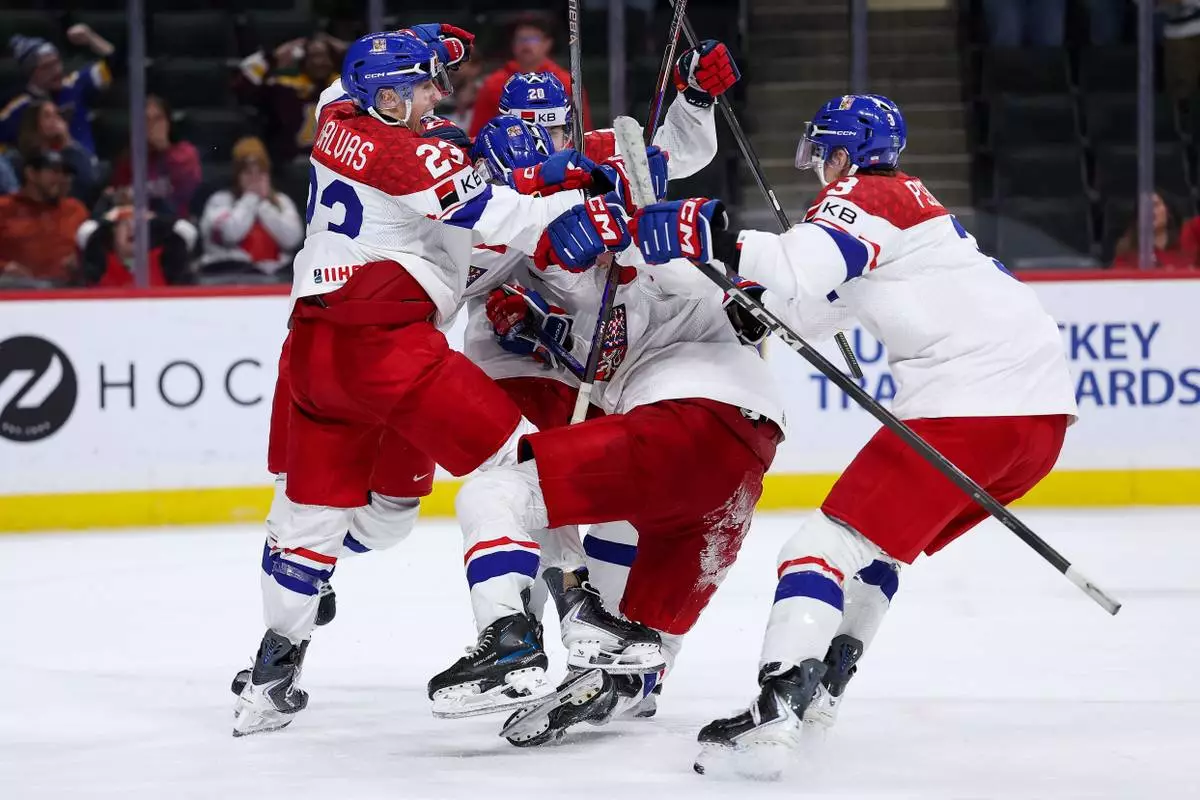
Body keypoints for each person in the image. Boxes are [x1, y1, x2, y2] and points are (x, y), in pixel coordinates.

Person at [628, 94, 1079, 778]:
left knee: (817, 547)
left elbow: (797, 269)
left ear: (841, 152)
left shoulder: (870, 195)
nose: (816, 169)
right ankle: (821, 690)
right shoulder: (904, 214)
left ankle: (772, 713)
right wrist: (740, 301)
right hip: (1038, 421)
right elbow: (801, 304)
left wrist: (707, 231)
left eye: (821, 152)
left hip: (973, 403)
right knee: (876, 554)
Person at [230, 28, 628, 738]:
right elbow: (497, 212)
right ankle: (554, 613)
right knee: (522, 465)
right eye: (423, 85)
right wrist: (575, 197)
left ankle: (271, 674)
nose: (439, 95)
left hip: (313, 353)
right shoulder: (410, 152)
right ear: (386, 97)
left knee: (334, 521)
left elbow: (384, 103)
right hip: (386, 346)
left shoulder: (336, 114)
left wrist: (418, 42)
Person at [468, 15, 592, 138]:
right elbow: (478, 133)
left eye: (533, 39)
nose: (526, 45)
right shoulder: (493, 83)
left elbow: (583, 134)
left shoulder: (567, 83)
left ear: (547, 43)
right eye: (520, 39)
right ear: (513, 44)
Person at [236, 33, 347, 166]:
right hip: (290, 168)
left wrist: (349, 51)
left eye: (324, 55)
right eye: (313, 56)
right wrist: (272, 57)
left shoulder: (346, 88)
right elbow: (242, 85)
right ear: (302, 59)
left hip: (337, 168)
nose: (319, 62)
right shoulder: (283, 87)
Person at [1, 26, 116, 155]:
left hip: (88, 167)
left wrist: (91, 38)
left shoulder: (75, 84)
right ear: (31, 72)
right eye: (47, 67)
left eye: (57, 62)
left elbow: (116, 64)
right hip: (48, 171)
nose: (57, 70)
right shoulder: (20, 107)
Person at [199, 137, 303, 277]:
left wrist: (264, 205)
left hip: (276, 277)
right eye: (248, 172)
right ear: (237, 176)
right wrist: (250, 199)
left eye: (260, 172)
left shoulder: (281, 201)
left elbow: (292, 239)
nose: (255, 178)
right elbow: (228, 234)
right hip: (231, 277)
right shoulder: (219, 201)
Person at [0, 150, 89, 285]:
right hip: (17, 290)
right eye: (53, 172)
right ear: (31, 173)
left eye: (64, 173)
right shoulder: (4, 207)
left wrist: (80, 260)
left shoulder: (75, 209)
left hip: (68, 291)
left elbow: (95, 251)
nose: (60, 178)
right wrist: (4, 267)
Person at [109, 96, 201, 219]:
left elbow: (187, 189)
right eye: (146, 119)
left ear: (168, 122)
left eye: (158, 119)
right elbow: (121, 197)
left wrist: (163, 147)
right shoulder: (129, 158)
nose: (152, 125)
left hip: (174, 223)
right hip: (138, 224)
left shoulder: (185, 153)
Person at [76, 204, 192, 287]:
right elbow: (86, 230)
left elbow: (186, 230)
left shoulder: (164, 262)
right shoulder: (100, 264)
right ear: (113, 231)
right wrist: (111, 215)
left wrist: (153, 216)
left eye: (140, 225)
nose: (132, 229)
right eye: (125, 224)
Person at [7, 99, 97, 204]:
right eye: (47, 116)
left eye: (57, 115)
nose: (56, 120)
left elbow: (88, 182)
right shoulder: (16, 159)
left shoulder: (67, 154)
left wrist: (66, 140)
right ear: (33, 123)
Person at [1111, 191, 1200, 269]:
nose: (1150, 211)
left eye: (1155, 205)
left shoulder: (1187, 237)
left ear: (1168, 211)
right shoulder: (1127, 253)